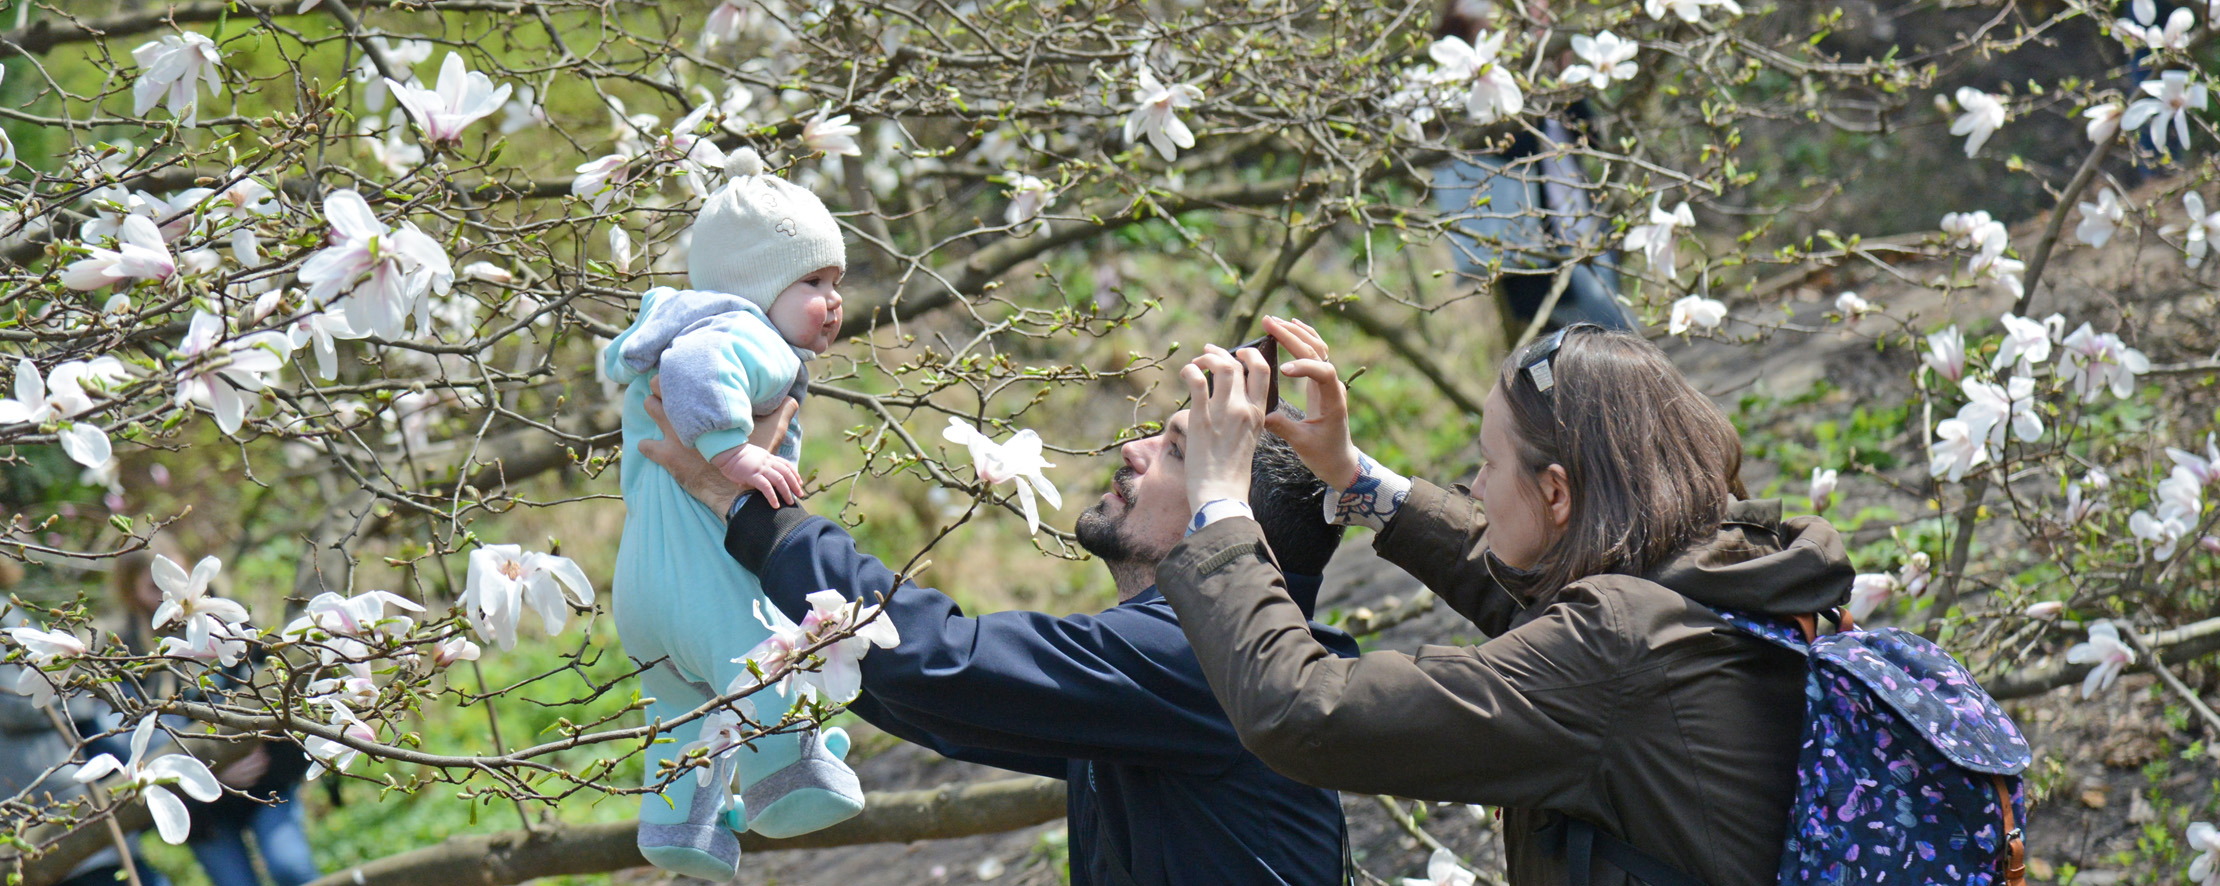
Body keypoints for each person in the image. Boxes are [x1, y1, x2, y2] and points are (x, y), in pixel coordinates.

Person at [1158, 317, 1850, 886]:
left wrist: (1219, 504)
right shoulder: (1735, 570)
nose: (1477, 489)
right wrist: (1350, 474)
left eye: (1487, 464)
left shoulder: (1617, 650)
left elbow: (1304, 710)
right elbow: (1535, 586)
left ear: (1556, 492)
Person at [635, 384, 1358, 885]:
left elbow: (939, 663)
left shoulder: (1214, 659)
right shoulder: (1214, 660)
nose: (1133, 448)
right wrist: (754, 552)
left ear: (1232, 513)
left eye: (1173, 450)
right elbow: (944, 705)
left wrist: (745, 505)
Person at [602, 145, 862, 881]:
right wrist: (734, 454)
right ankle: (794, 778)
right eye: (813, 280)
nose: (833, 299)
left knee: (681, 720)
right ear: (756, 284)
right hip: (708, 585)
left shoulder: (670, 335)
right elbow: (696, 374)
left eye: (836, 280)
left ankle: (682, 825)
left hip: (641, 591)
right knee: (773, 660)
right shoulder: (749, 338)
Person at [107, 550, 321, 886]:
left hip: (265, 779)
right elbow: (138, 735)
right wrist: (213, 769)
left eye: (181, 577)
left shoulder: (231, 621)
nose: (173, 596)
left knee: (292, 869)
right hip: (201, 810)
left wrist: (262, 753)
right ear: (131, 590)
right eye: (155, 587)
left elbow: (280, 689)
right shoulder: (131, 654)